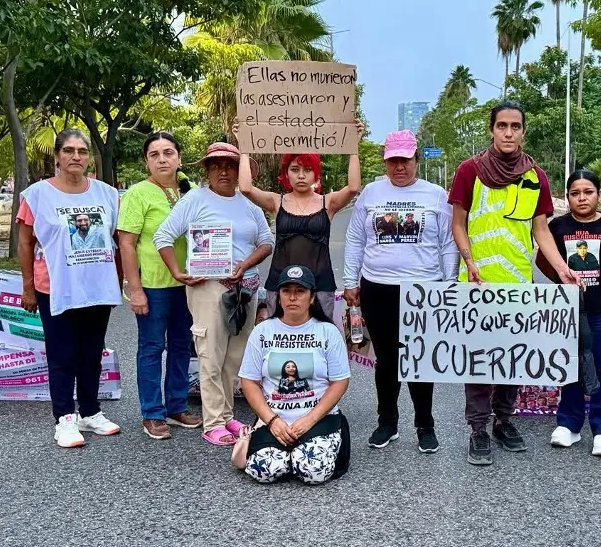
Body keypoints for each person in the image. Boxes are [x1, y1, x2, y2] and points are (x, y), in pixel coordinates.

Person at [450, 100, 577, 466]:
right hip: (476, 282)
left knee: (511, 359)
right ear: (491, 129)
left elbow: (540, 231)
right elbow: (458, 223)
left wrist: (561, 267)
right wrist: (469, 261)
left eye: (515, 126)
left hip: (519, 283)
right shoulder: (469, 170)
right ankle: (477, 429)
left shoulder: (535, 175)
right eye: (501, 125)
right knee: (478, 361)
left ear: (523, 130)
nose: (508, 133)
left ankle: (503, 421)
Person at [343, 130, 458, 454]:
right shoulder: (371, 193)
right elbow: (355, 239)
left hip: (425, 290)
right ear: (386, 162)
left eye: (405, 160)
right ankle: (387, 422)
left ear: (416, 160)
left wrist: (448, 287)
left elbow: (448, 244)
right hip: (377, 288)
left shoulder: (436, 195)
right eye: (393, 161)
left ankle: (425, 425)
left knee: (420, 360)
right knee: (387, 360)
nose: (399, 167)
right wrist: (351, 281)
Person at [155, 142, 274, 446]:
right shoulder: (195, 199)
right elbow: (163, 235)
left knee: (234, 356)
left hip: (245, 287)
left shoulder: (249, 204)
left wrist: (245, 264)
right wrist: (176, 271)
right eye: (217, 165)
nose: (224, 171)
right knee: (211, 354)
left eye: (231, 165)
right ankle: (212, 422)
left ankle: (227, 415)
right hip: (209, 286)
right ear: (207, 170)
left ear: (239, 171)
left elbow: (265, 242)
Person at [16, 129, 123, 448]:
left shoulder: (107, 194)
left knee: (91, 353)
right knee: (62, 354)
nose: (76, 156)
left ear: (89, 157)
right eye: (69, 150)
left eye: (82, 151)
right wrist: (28, 287)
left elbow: (115, 241)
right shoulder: (36, 195)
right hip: (55, 287)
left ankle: (90, 412)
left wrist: (117, 283)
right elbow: (24, 243)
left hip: (96, 287)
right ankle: (64, 419)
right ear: (57, 157)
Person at [117, 131, 201, 441]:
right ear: (146, 162)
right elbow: (127, 244)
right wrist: (135, 289)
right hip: (153, 285)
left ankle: (176, 406)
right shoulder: (138, 194)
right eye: (155, 154)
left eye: (168, 152)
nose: (162, 159)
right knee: (152, 348)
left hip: (190, 284)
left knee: (182, 346)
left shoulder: (190, 191)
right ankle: (152, 412)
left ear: (179, 158)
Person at [236, 120, 364, 321]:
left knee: (320, 341)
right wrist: (243, 147)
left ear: (316, 174)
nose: (301, 175)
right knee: (279, 341)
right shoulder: (276, 201)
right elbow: (245, 188)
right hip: (280, 284)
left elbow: (353, 187)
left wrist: (353, 145)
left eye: (307, 169)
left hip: (320, 285)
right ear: (286, 173)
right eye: (295, 169)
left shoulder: (328, 203)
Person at [236, 265, 350, 485]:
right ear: (278, 297)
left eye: (300, 291)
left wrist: (309, 420)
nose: (293, 297)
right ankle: (290, 457)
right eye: (286, 291)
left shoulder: (327, 332)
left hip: (317, 418)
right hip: (275, 418)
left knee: (313, 470)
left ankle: (298, 457)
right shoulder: (263, 331)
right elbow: (249, 381)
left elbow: (340, 381)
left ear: (312, 298)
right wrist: (272, 421)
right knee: (264, 470)